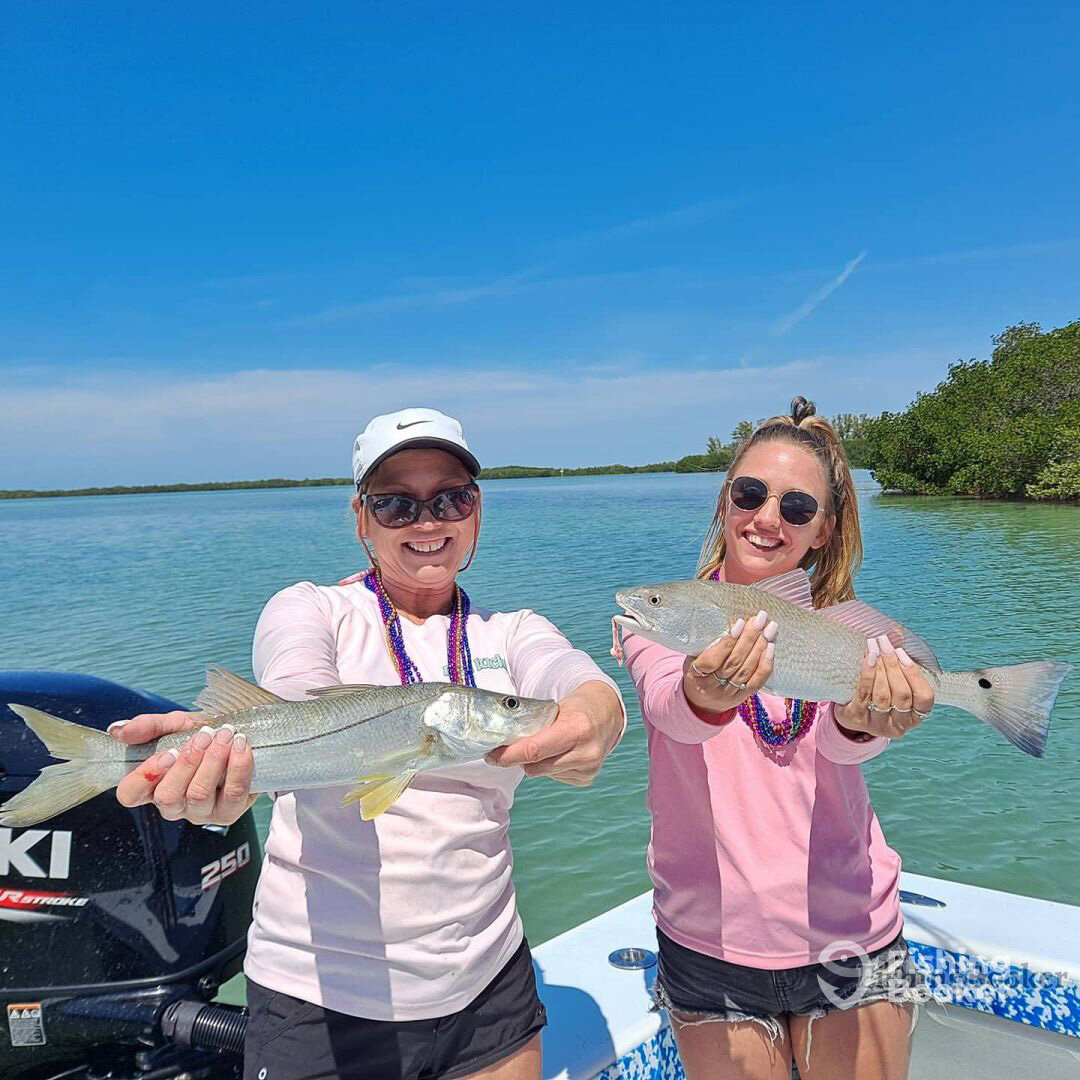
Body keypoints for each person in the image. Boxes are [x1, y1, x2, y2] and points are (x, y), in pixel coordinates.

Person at [109, 407, 626, 1080]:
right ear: (361, 518)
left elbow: (583, 685)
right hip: (321, 996)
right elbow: (297, 688)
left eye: (451, 498)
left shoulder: (512, 631)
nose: (427, 522)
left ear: (477, 510)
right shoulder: (312, 608)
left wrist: (594, 723)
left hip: (489, 983)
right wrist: (226, 780)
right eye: (395, 504)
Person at [619, 398, 932, 1080]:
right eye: (750, 494)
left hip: (852, 928)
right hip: (708, 939)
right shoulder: (661, 620)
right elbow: (672, 709)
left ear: (822, 530)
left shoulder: (840, 636)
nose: (767, 518)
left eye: (796, 507)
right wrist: (708, 691)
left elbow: (844, 748)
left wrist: (868, 719)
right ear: (725, 500)